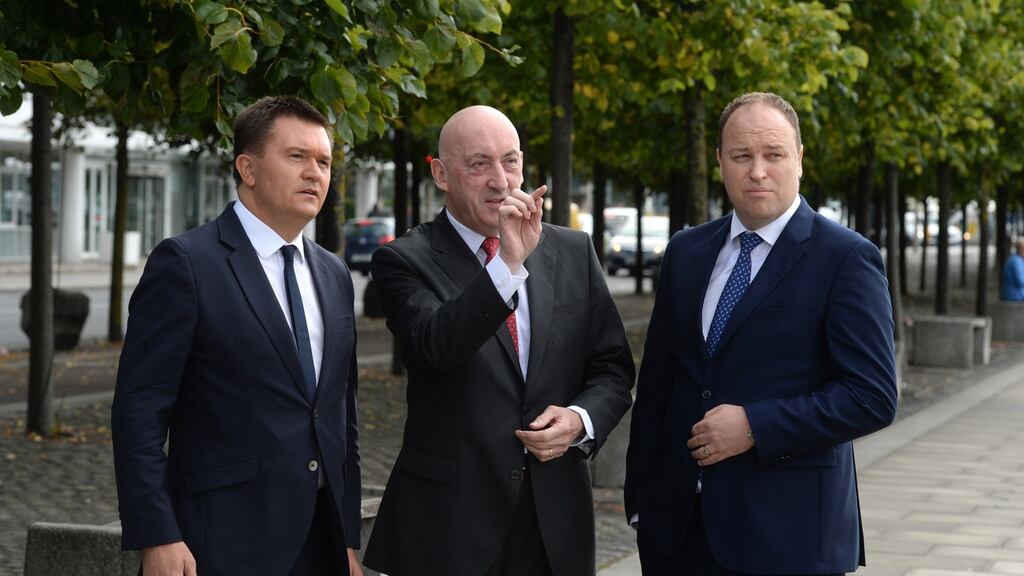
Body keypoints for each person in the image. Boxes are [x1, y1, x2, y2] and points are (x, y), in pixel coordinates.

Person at [624, 92, 898, 575]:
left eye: (773, 154)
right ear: (720, 162)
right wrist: (642, 502)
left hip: (788, 537)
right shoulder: (686, 251)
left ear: (799, 159)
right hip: (677, 535)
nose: (757, 172)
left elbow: (872, 397)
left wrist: (755, 425)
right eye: (741, 156)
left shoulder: (846, 258)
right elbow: (657, 386)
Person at [362, 105, 635, 576]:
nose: (500, 181)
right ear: (441, 174)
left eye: (510, 161)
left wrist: (580, 419)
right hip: (449, 527)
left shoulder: (572, 251)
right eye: (478, 164)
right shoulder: (404, 259)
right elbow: (435, 347)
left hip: (555, 525)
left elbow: (612, 369)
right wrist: (507, 265)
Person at [111, 96, 363, 576]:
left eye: (324, 162)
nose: (315, 173)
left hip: (321, 542)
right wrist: (157, 534)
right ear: (247, 168)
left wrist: (347, 539)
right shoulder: (186, 263)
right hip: (219, 541)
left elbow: (341, 418)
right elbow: (138, 413)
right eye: (297, 156)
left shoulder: (334, 273)